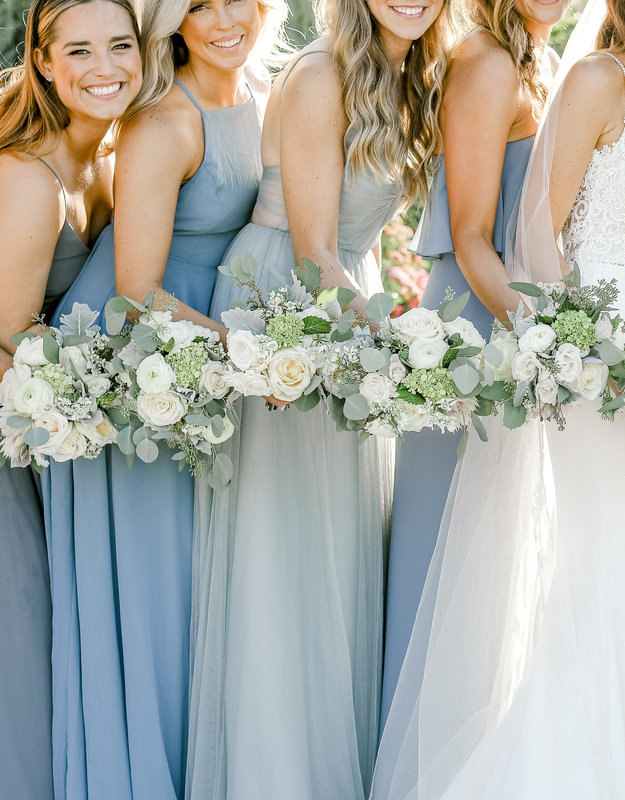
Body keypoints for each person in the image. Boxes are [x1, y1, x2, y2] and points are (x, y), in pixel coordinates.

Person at [370, 0, 625, 795]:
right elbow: (530, 234)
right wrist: (577, 355)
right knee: (612, 569)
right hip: (593, 364)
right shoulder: (590, 80)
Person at [186, 0, 450, 795]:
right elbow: (310, 251)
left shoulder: (410, 77)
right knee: (285, 550)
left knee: (336, 548)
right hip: (291, 304)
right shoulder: (320, 74)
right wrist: (403, 352)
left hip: (346, 298)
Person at [39, 0, 280, 795]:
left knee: (200, 587)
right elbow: (136, 292)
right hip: (131, 368)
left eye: (234, 0)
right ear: (173, 20)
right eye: (198, 4)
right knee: (154, 594)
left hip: (194, 362)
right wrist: (250, 355)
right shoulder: (165, 123)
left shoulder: (252, 100)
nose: (221, 19)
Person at [381, 0, 570, 719]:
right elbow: (468, 235)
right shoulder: (486, 61)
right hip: (469, 333)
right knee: (444, 566)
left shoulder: (540, 62)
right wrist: (548, 342)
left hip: (514, 331)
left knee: (496, 577)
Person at [0, 1, 140, 796]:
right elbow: (4, 335)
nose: (105, 68)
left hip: (53, 435)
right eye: (80, 51)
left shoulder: (114, 156)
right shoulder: (28, 178)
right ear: (44, 63)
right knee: (23, 649)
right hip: (16, 443)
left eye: (120, 46)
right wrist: (91, 396)